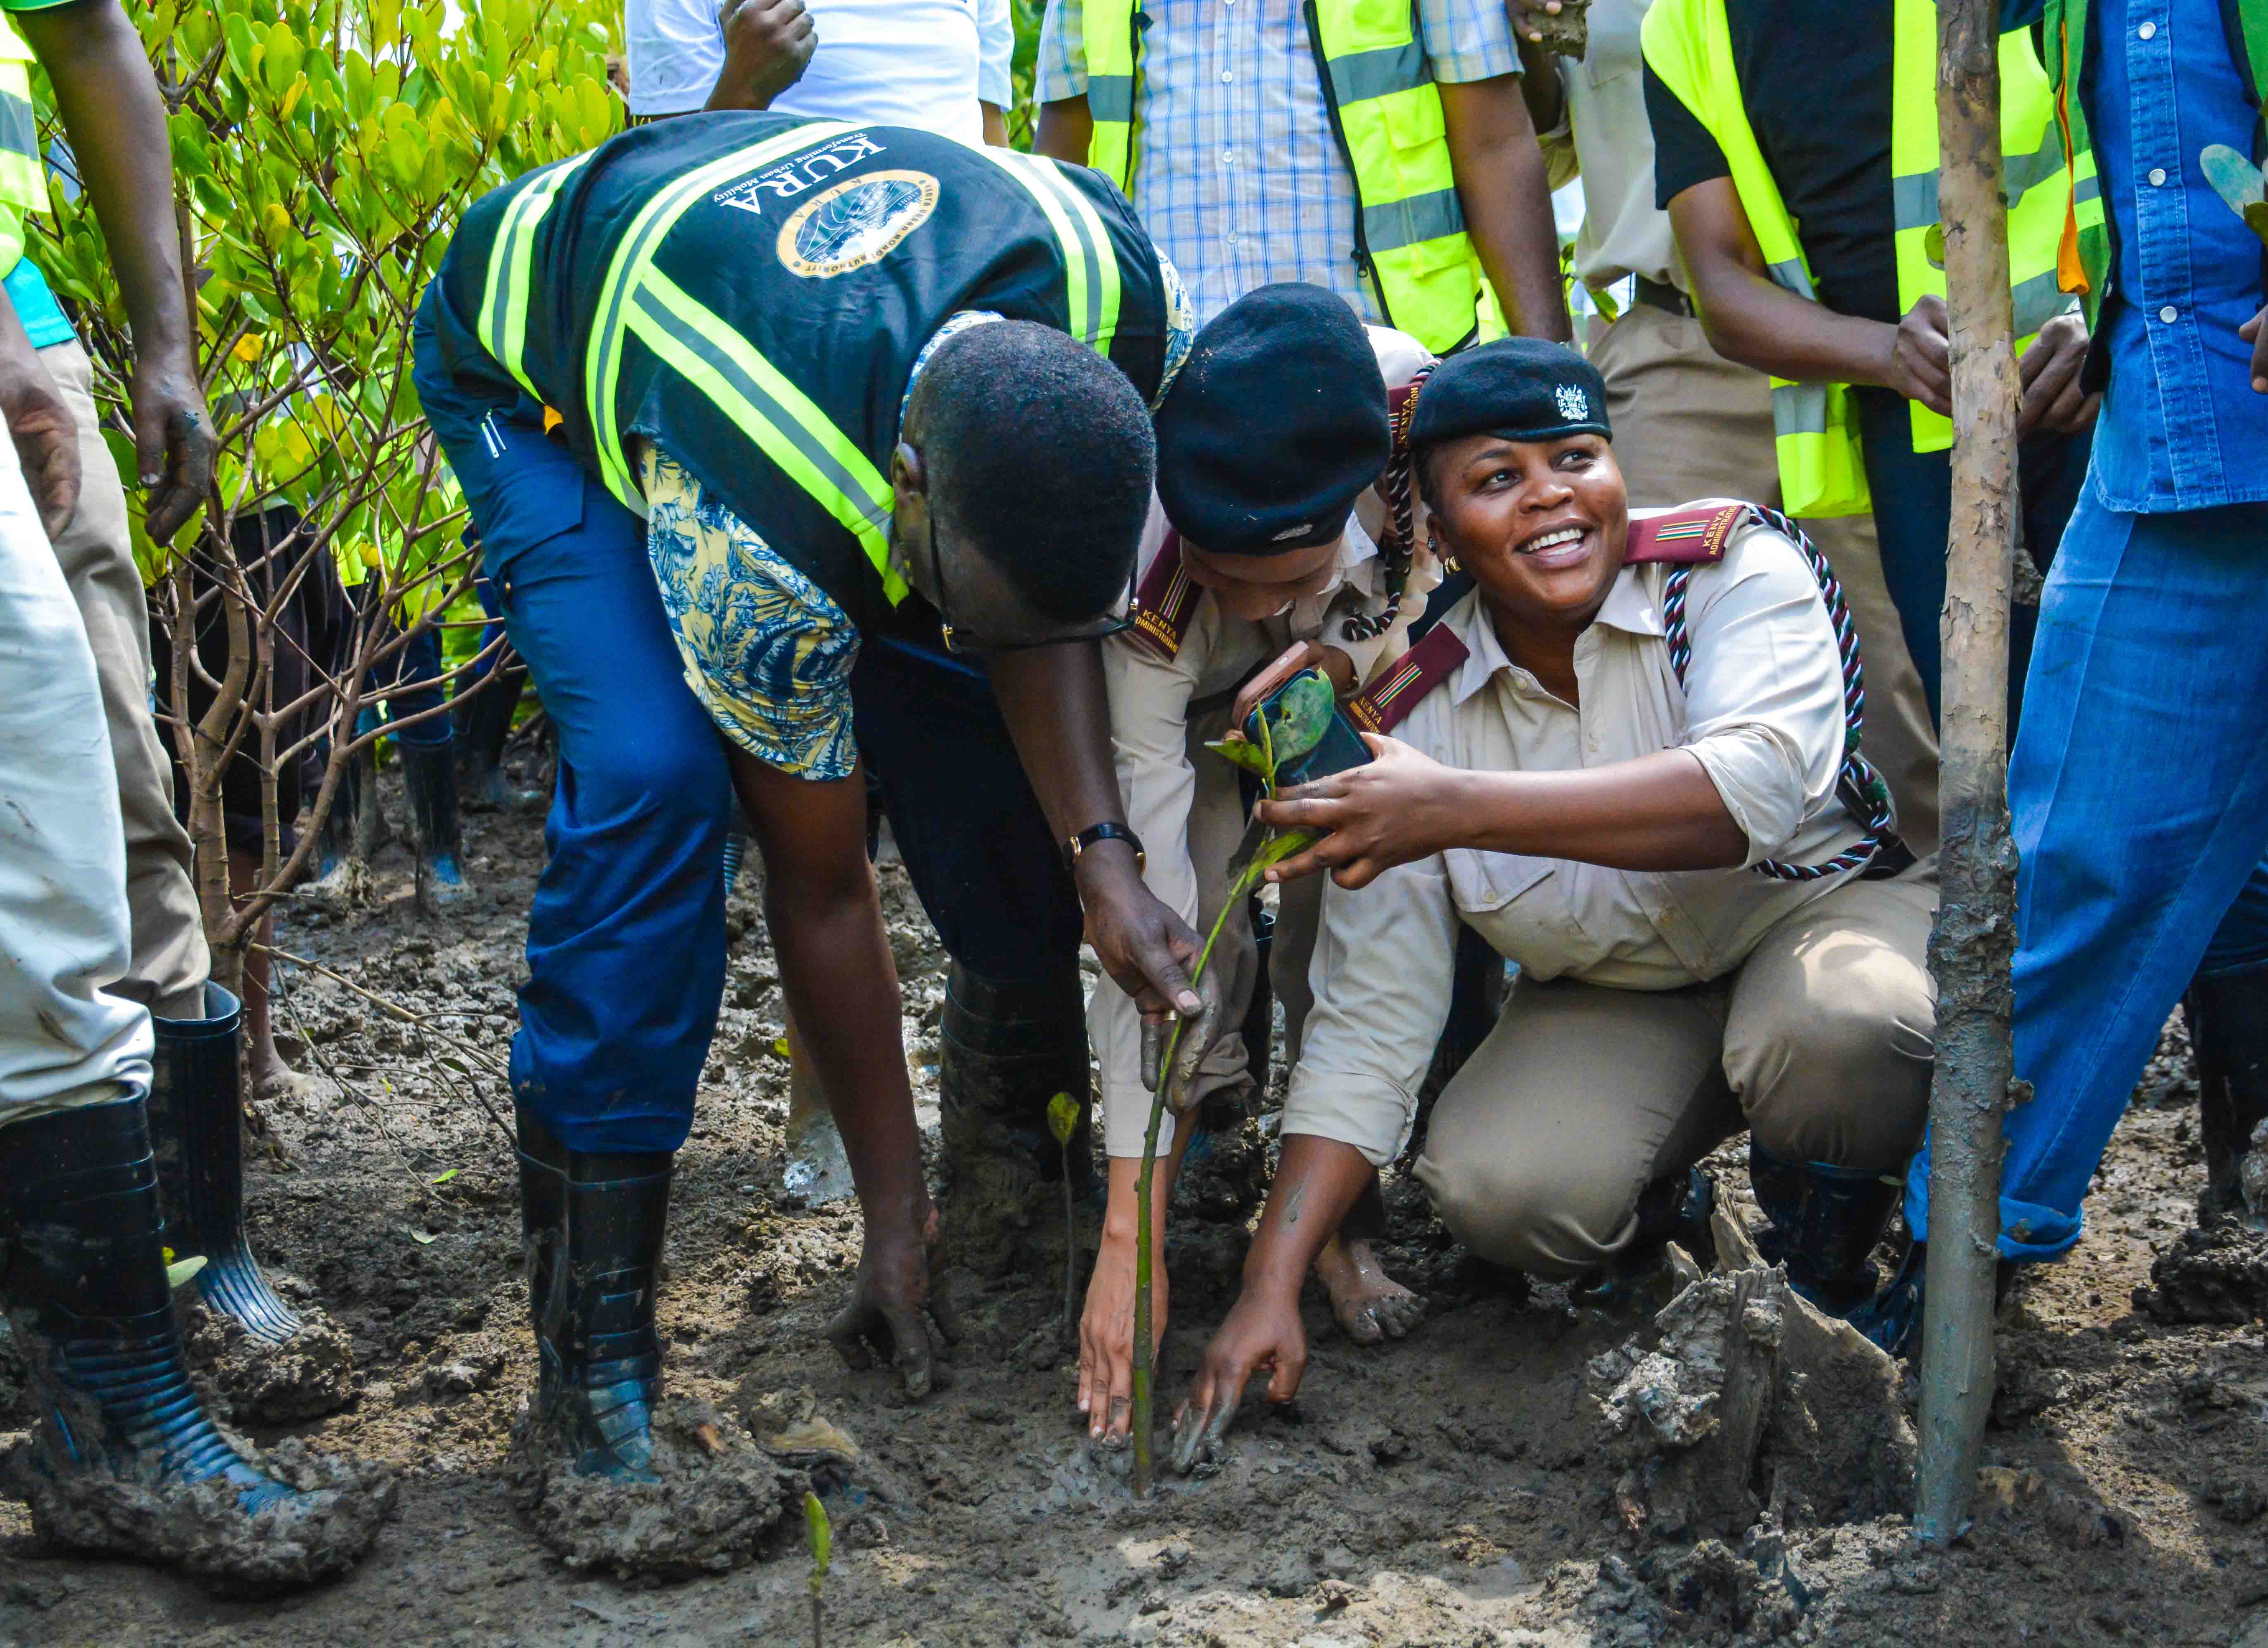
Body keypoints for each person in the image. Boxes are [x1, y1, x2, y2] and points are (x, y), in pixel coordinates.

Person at [415, 112, 1206, 1564]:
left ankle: (1015, 1158)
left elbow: (1046, 621)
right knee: (654, 784)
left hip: (787, 288)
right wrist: (887, 1220)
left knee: (977, 708)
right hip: (545, 355)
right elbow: (825, 887)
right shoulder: (755, 533)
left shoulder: (1110, 285)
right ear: (904, 490)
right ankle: (594, 1369)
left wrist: (1102, 853)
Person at [1889, 0, 2268, 1556]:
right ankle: (1950, 1288)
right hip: (2189, 418)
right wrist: (2112, 294)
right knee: (2066, 871)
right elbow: (2171, 97)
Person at [1169, 339, 1938, 1461]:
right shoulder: (1416, 708)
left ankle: (1830, 1247)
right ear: (1437, 528)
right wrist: (1266, 1285)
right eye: (1496, 480)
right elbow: (1372, 1018)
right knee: (1498, 1188)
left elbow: (1751, 793)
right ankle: (1653, 1247)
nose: (1551, 498)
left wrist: (1457, 808)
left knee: (1847, 1034)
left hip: (1812, 917)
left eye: (1577, 457)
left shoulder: (1727, 570)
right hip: (1623, 992)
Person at [1641, 0, 2268, 1222]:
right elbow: (1719, 280)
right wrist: (1885, 352)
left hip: (2105, 388)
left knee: (2186, 758)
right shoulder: (1689, 25)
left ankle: (2256, 1167)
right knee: (2009, 789)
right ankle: (1999, 1189)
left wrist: (2088, 323)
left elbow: (2136, 129)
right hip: (1922, 436)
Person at [0, 211, 392, 1594]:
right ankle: (104, 1390)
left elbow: (90, 35)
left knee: (92, 806)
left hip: (10, 330)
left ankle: (175, 1283)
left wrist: (106, 344)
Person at [0, 0, 321, 1348]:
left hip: (18, 335)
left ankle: (188, 1250)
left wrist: (162, 351)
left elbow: (89, 37)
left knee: (125, 785)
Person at [1077, 282, 1439, 1446]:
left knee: (1359, 897)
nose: (1252, 603)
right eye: (1230, 577)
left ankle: (1330, 1220)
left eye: (1274, 580)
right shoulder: (1146, 587)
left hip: (1364, 658)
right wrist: (1126, 1242)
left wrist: (1332, 655)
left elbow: (1427, 595)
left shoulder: (1406, 420)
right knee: (1204, 943)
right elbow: (1145, 921)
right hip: (1181, 710)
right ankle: (1170, 1203)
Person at [1509, 0, 1941, 857]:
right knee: (1650, 660)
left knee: (1899, 684)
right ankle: (1673, 952)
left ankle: (1917, 950)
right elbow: (1530, 137)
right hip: (1681, 346)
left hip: (1878, 336)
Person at [1032, 0, 1572, 354]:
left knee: (1406, 533)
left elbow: (1494, 141)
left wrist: (1552, 368)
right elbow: (1062, 166)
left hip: (1390, 365)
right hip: (1170, 369)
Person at [625, 0, 1017, 144]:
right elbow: (674, 186)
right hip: (790, 277)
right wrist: (744, 89)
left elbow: (992, 143)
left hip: (960, 269)